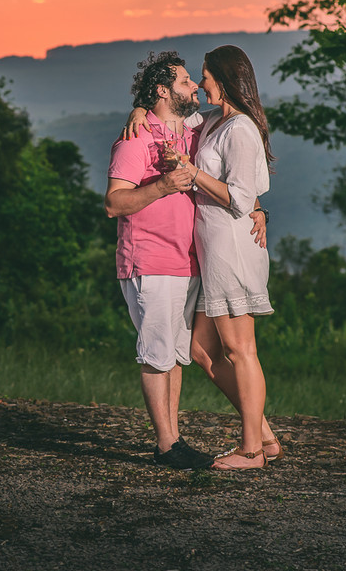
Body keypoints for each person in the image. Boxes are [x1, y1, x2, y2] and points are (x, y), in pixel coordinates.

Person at [123, 45, 280, 470]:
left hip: (232, 248)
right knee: (201, 351)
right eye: (194, 77)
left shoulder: (241, 129)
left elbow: (241, 197)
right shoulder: (213, 120)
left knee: (239, 348)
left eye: (204, 76)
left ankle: (251, 451)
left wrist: (192, 174)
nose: (198, 83)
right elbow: (169, 112)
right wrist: (140, 109)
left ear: (223, 80)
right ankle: (262, 433)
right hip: (209, 252)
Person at [104, 51, 215, 470]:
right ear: (163, 92)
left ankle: (173, 440)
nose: (196, 87)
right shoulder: (134, 138)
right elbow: (115, 203)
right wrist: (165, 185)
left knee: (175, 352)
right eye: (187, 81)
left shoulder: (188, 128)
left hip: (185, 260)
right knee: (156, 352)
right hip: (148, 259)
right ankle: (167, 445)